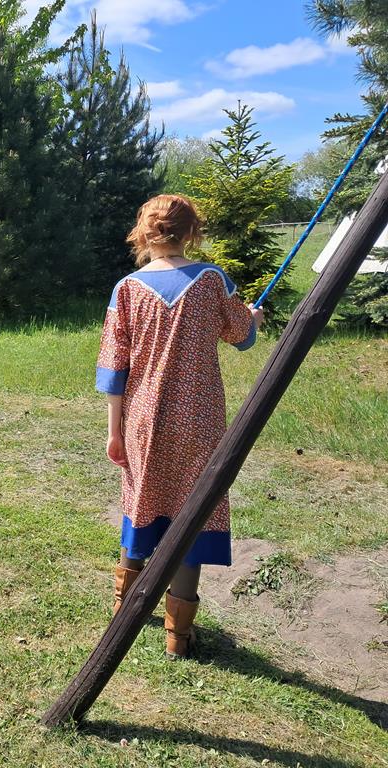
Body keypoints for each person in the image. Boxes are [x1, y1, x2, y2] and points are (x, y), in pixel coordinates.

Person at [96, 194, 264, 659]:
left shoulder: (126, 289)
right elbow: (241, 337)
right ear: (191, 232)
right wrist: (252, 318)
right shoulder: (212, 281)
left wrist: (114, 431)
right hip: (200, 420)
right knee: (193, 512)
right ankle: (179, 636)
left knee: (142, 501)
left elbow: (113, 369)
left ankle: (124, 608)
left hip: (142, 420)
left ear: (144, 233)